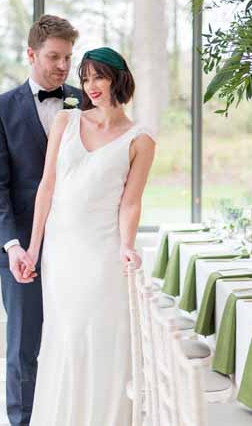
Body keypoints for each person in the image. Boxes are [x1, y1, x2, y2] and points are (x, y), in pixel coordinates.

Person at [26, 47, 156, 425]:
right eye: (85, 78)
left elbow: (130, 203)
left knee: (98, 336)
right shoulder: (65, 123)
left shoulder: (140, 139)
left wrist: (127, 245)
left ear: (117, 77)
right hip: (60, 255)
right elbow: (47, 187)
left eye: (98, 76)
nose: (90, 85)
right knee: (64, 336)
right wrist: (34, 247)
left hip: (102, 253)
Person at [0, 15, 82, 425]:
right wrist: (14, 245)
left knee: (74, 338)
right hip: (21, 249)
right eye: (53, 56)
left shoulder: (85, 101)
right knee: (23, 347)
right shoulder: (0, 110)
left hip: (77, 244)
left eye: (68, 58)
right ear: (31, 54)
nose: (62, 66)